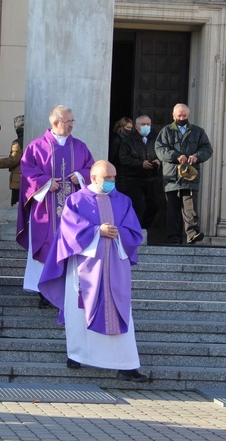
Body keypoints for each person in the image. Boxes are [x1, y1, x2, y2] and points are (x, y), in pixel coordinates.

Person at [38, 160, 148, 381]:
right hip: (84, 268)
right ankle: (77, 355)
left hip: (116, 265)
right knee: (79, 311)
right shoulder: (76, 200)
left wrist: (118, 233)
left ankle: (126, 365)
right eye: (107, 178)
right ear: (94, 177)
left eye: (114, 178)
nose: (111, 182)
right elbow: (69, 231)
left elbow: (133, 231)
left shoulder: (123, 201)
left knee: (120, 309)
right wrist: (98, 231)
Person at [17, 105, 95, 308]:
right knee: (45, 246)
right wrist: (45, 182)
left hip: (73, 212)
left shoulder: (80, 147)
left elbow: (92, 170)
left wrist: (80, 176)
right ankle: (44, 291)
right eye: (67, 122)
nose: (71, 126)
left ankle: (69, 288)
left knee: (72, 246)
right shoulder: (36, 147)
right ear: (55, 123)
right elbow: (27, 172)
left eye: (72, 121)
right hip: (45, 211)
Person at [155, 103, 213, 244]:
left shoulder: (198, 131)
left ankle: (192, 233)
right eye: (179, 115)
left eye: (184, 115)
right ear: (174, 116)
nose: (182, 118)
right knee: (173, 207)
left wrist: (196, 156)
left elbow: (207, 149)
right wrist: (176, 156)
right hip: (172, 176)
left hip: (190, 175)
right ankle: (173, 237)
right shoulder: (166, 131)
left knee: (190, 207)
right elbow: (160, 149)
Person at [114, 115, 160, 229]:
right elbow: (123, 158)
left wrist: (159, 161)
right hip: (134, 179)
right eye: (143, 124)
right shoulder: (128, 140)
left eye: (148, 124)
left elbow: (163, 152)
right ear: (137, 126)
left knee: (154, 206)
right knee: (138, 206)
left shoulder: (155, 139)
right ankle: (136, 231)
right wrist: (141, 163)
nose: (146, 127)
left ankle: (144, 228)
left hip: (151, 178)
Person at [0, 114, 24, 206]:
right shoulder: (32, 140)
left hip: (18, 181)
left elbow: (12, 160)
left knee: (15, 206)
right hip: (28, 180)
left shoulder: (17, 143)